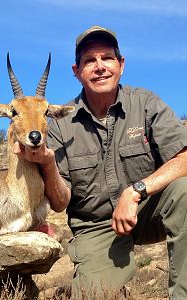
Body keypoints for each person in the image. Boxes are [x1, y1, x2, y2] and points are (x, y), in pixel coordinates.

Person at [14, 25, 187, 299]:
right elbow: (59, 203)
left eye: (107, 58)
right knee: (95, 295)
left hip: (146, 210)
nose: (99, 67)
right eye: (89, 61)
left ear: (121, 65)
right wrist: (47, 162)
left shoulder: (146, 103)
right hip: (95, 227)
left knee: (185, 191)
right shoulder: (60, 124)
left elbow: (185, 158)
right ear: (76, 71)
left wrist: (135, 191)